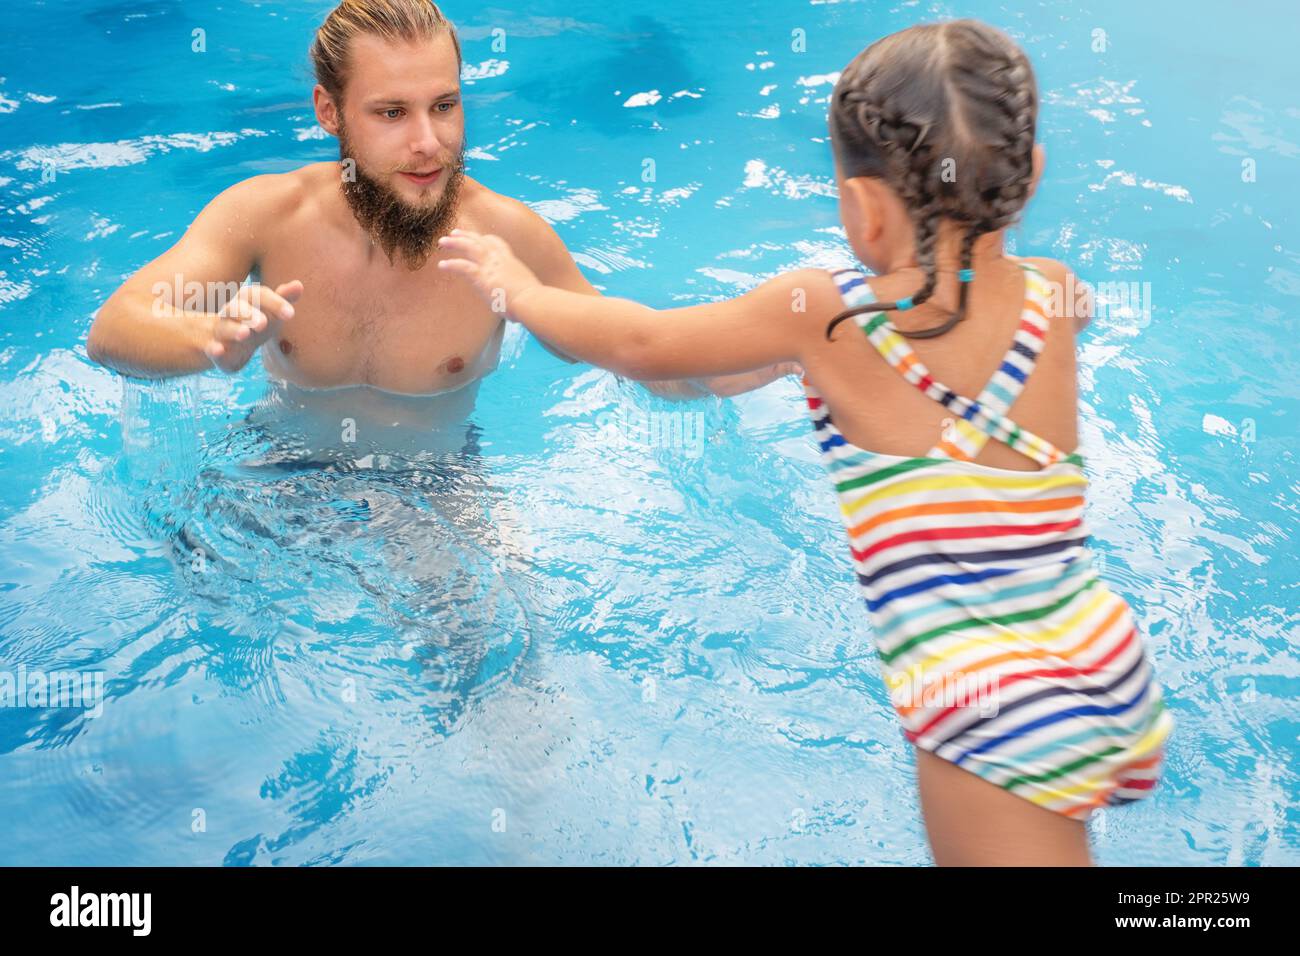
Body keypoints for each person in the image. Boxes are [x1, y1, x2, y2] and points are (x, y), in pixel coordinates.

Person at [434, 19, 1176, 866]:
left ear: (861, 208)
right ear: (1030, 176)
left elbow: (642, 343)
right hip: (1096, 656)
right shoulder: (1054, 293)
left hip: (987, 697)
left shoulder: (829, 316)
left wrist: (519, 289)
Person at [86, 0, 791, 436]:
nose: (430, 141)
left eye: (445, 105)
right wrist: (209, 340)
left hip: (437, 494)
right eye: (392, 112)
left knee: (503, 663)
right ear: (329, 112)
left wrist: (758, 359)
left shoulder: (506, 238)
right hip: (276, 467)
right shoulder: (266, 216)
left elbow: (638, 356)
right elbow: (112, 331)